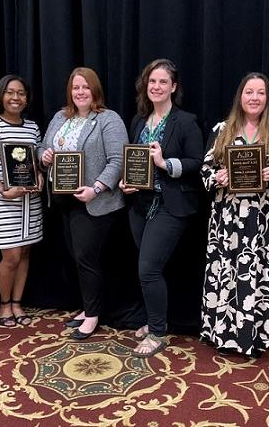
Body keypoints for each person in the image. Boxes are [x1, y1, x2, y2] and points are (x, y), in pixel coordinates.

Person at [201, 72, 269, 357]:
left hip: (265, 223)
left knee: (261, 277)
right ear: (240, 97)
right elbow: (203, 174)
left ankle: (261, 337)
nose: (254, 98)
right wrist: (217, 177)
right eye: (249, 92)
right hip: (227, 222)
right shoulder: (221, 130)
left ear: (267, 98)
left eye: (260, 93)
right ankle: (225, 335)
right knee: (227, 276)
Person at [119, 59, 203, 358]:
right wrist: (126, 182)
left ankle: (157, 332)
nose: (156, 87)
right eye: (152, 82)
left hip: (170, 205)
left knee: (149, 269)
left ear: (174, 87)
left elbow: (197, 163)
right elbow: (133, 162)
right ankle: (154, 318)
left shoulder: (186, 121)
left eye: (163, 82)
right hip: (139, 204)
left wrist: (165, 163)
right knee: (148, 269)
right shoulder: (139, 121)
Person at [38, 67, 127, 340]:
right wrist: (45, 156)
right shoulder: (59, 117)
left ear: (95, 90)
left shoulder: (108, 119)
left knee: (87, 258)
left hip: (93, 201)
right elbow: (42, 149)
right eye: (76, 87)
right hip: (63, 200)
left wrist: (96, 189)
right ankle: (88, 307)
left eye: (86, 87)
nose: (80, 92)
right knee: (77, 257)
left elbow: (118, 159)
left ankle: (92, 316)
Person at [0, 75, 43, 326]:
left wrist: (38, 177)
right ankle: (4, 304)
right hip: (3, 201)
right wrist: (4, 191)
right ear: (1, 96)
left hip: (29, 200)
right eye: (10, 92)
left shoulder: (32, 127)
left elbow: (35, 163)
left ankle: (17, 303)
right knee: (12, 256)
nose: (16, 98)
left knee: (25, 252)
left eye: (21, 93)